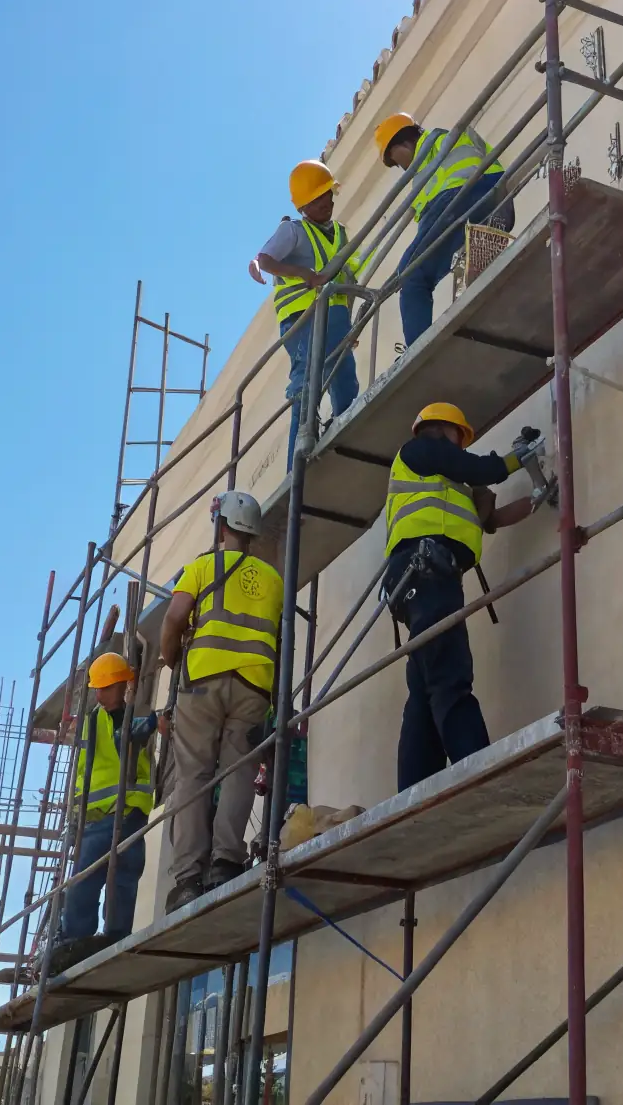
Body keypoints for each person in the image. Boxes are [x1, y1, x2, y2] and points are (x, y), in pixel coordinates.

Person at [382, 402, 551, 791]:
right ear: (443, 429)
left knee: (425, 694)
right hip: (426, 572)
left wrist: (538, 499)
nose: (461, 444)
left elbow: (489, 520)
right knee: (450, 678)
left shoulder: (446, 483)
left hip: (424, 581)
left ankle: (414, 789)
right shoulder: (419, 451)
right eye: (461, 435)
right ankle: (479, 772)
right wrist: (516, 458)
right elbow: (479, 468)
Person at [160, 491, 284, 913]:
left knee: (193, 776)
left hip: (202, 683)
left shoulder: (201, 567)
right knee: (237, 773)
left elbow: (174, 619)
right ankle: (225, 865)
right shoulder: (272, 580)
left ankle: (188, 880)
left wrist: (172, 658)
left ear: (222, 525)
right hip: (253, 687)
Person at [252, 159, 362, 466]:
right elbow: (266, 259)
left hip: (335, 316)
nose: (325, 202)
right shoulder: (292, 230)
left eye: (327, 194)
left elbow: (349, 278)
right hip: (303, 318)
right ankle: (296, 466)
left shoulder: (340, 234)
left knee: (345, 382)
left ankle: (343, 435)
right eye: (316, 198)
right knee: (305, 387)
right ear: (303, 205)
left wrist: (350, 323)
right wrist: (303, 273)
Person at [374, 113, 511, 348]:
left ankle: (416, 353)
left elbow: (434, 213)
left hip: (459, 200)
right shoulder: (445, 144)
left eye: (395, 159)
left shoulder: (437, 145)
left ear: (402, 143)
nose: (400, 167)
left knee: (410, 275)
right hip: (494, 204)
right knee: (459, 264)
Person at [55, 650, 158, 961]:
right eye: (97, 689)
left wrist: (155, 721)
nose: (100, 695)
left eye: (106, 688)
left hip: (130, 814)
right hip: (98, 816)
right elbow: (91, 764)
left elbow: (130, 732)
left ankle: (116, 937)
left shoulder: (129, 715)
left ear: (122, 686)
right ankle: (74, 939)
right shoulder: (93, 721)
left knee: (124, 878)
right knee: (84, 881)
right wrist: (76, 815)